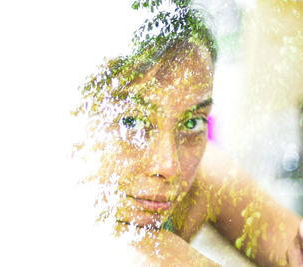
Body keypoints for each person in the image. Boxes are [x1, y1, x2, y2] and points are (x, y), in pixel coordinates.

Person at [73, 3, 303, 266]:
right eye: (131, 121)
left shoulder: (204, 180)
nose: (169, 167)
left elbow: (293, 243)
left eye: (191, 123)